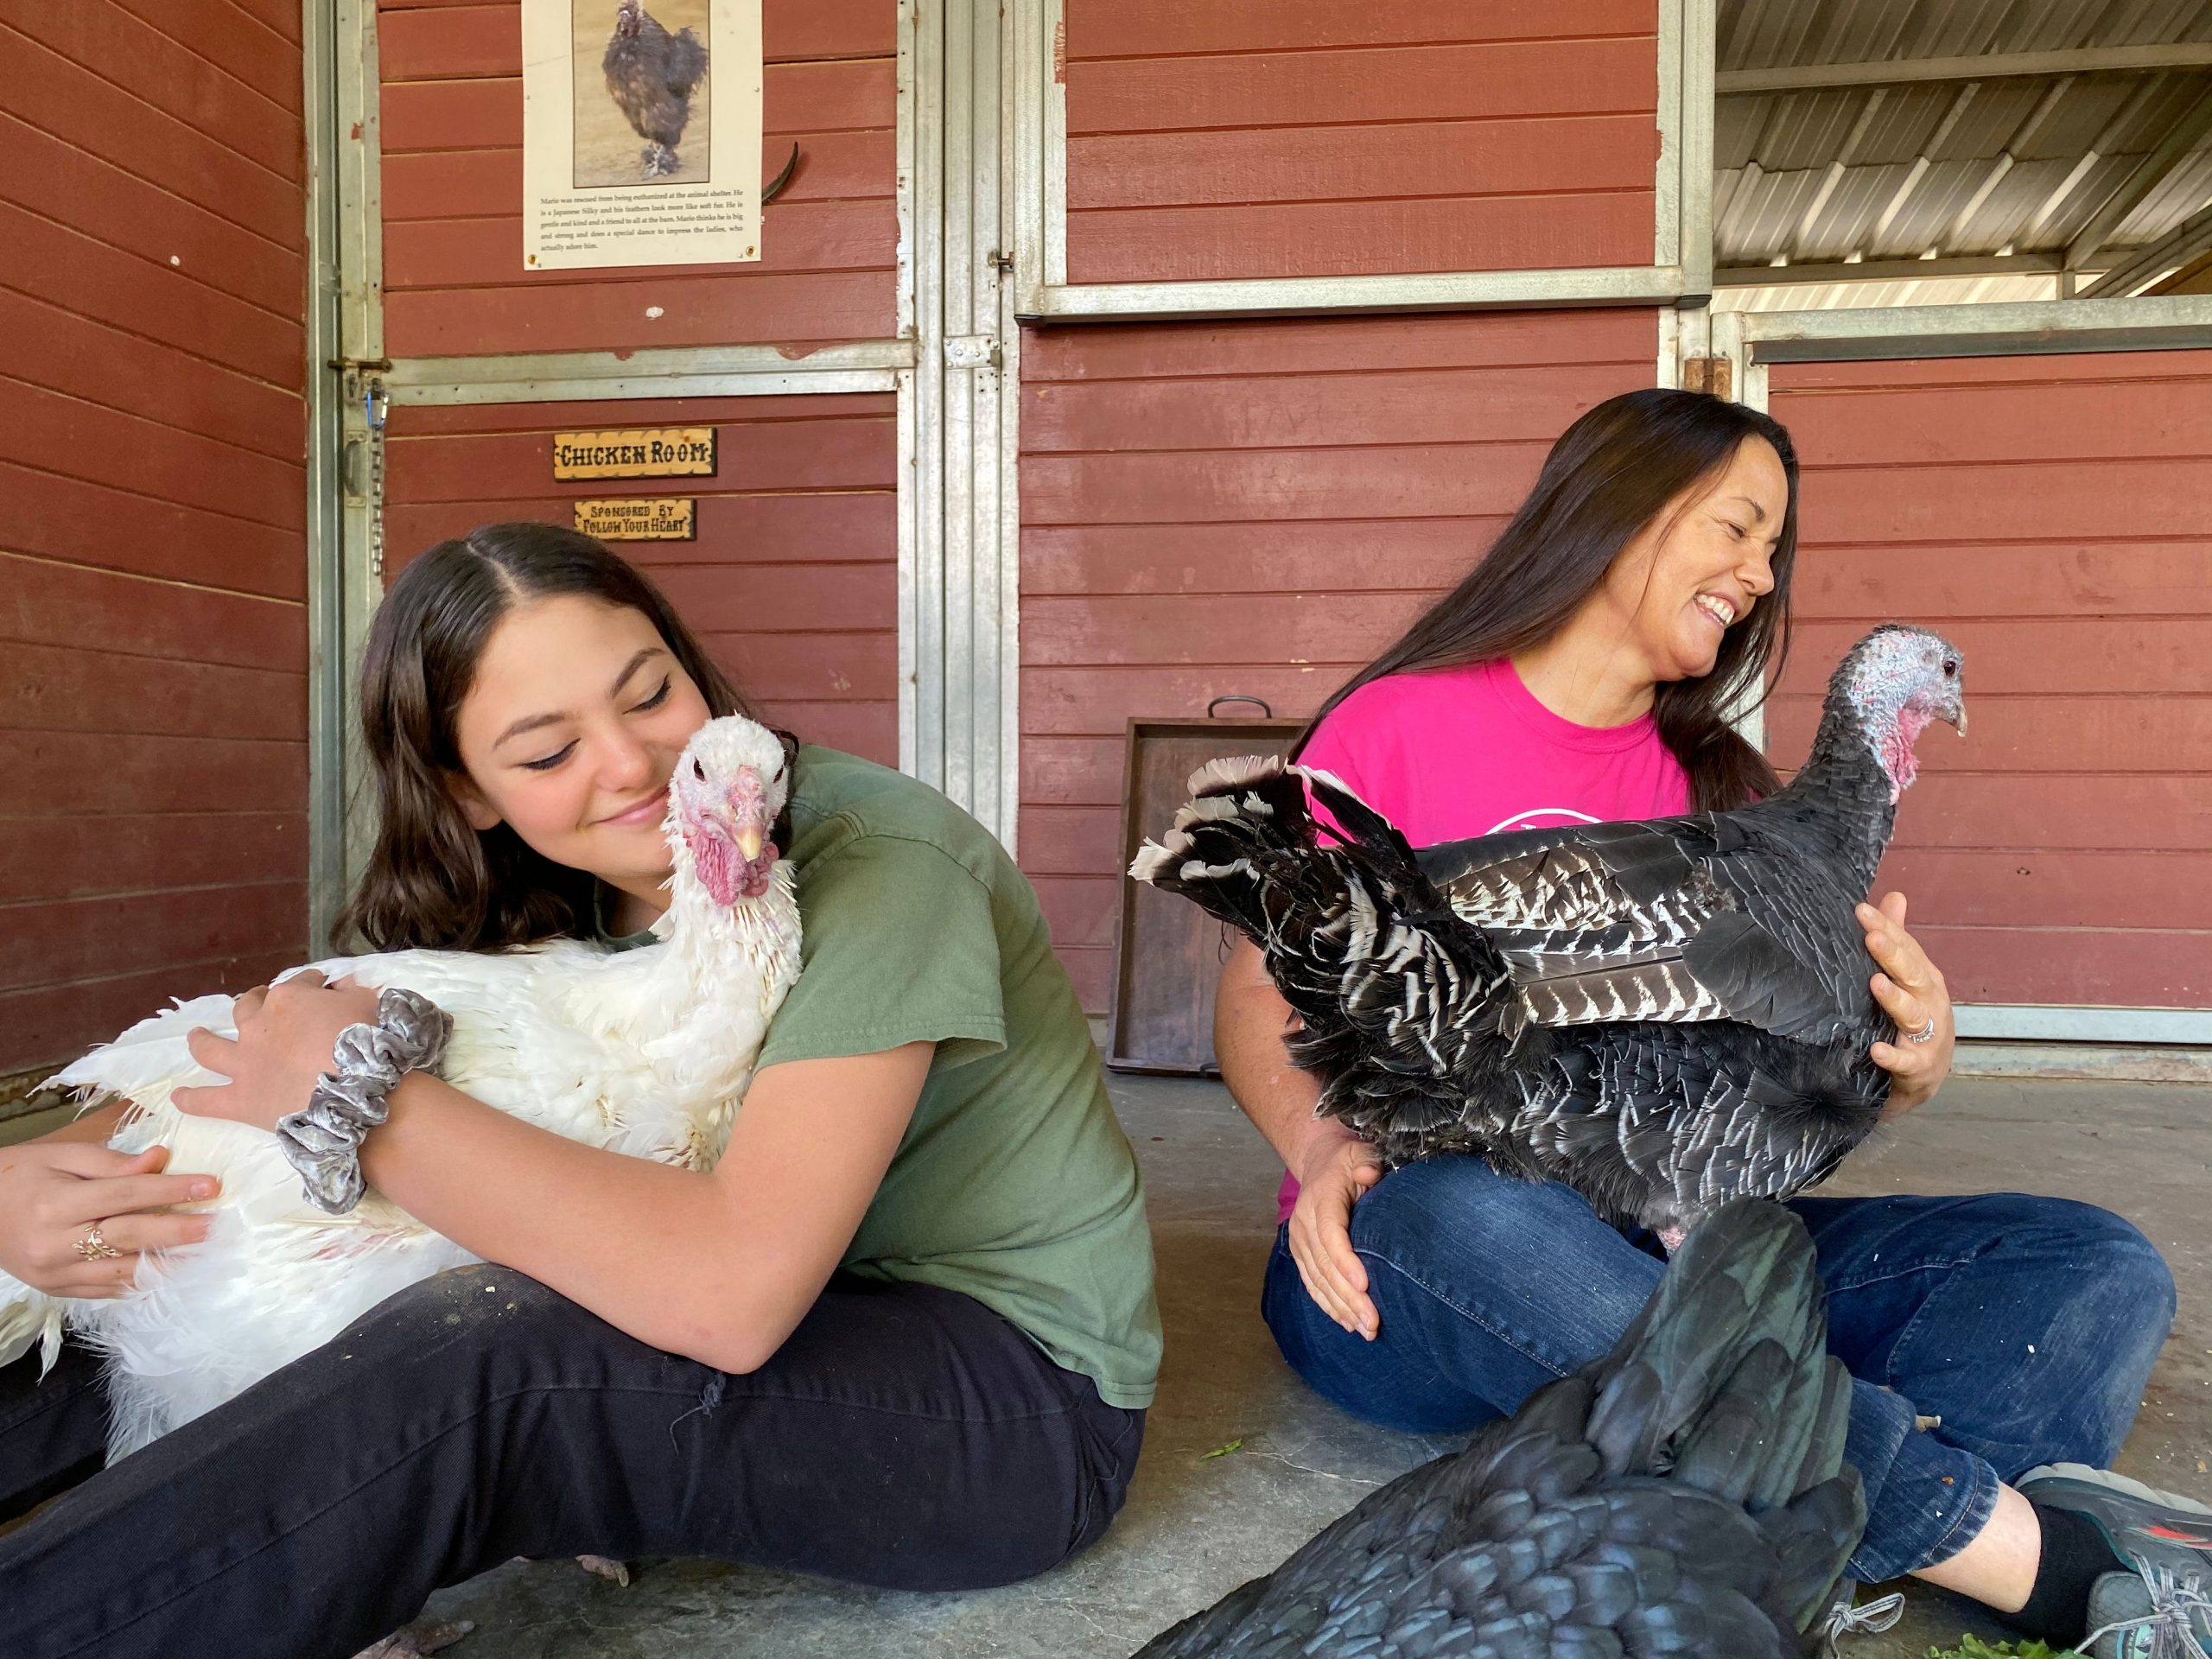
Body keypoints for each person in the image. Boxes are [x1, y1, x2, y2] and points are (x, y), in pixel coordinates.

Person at [0, 524, 1160, 1658]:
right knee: (180, 1272)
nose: (630, 766)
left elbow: (731, 1294)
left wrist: (366, 1102)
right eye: (547, 754)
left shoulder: (871, 867)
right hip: (734, 1305)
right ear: (468, 794)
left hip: (1005, 1408)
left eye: (651, 694)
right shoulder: (556, 884)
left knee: (487, 1356)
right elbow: (270, 1053)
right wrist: (40, 1196)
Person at [1216, 389, 2204, 1656]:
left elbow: (1767, 1091)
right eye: (1737, 529)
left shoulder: (1722, 788)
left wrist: (1904, 1057)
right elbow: (1257, 989)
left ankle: (1814, 1525)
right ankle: (2022, 1556)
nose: (1758, 574)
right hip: (1415, 1269)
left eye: (1773, 550)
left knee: (2087, 1269)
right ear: (1617, 510)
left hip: (1672, 1244)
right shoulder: (1399, 726)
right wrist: (1314, 1148)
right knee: (1463, 1209)